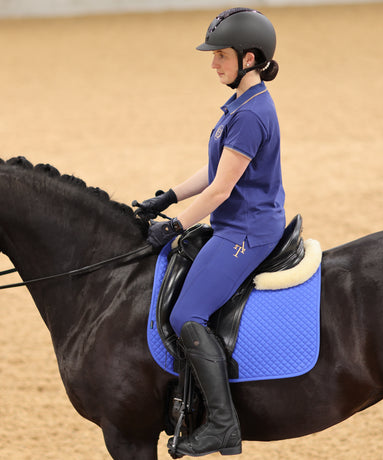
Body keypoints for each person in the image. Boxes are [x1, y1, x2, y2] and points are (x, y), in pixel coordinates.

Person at [139, 8, 285, 458]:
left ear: (249, 58)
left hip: (246, 230)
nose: (213, 63)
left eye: (221, 55)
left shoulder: (250, 114)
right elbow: (213, 170)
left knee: (187, 315)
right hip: (236, 222)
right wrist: (168, 197)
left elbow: (222, 190)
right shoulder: (239, 105)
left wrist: (175, 226)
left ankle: (223, 425)